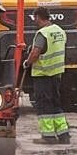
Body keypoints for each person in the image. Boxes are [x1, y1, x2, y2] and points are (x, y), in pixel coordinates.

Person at [28, 16, 70, 144]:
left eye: (35, 19)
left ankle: (48, 136)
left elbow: (35, 53)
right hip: (56, 73)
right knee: (55, 104)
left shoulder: (42, 33)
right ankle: (64, 135)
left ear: (38, 18)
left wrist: (27, 62)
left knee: (43, 105)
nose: (35, 21)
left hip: (43, 73)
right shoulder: (59, 30)